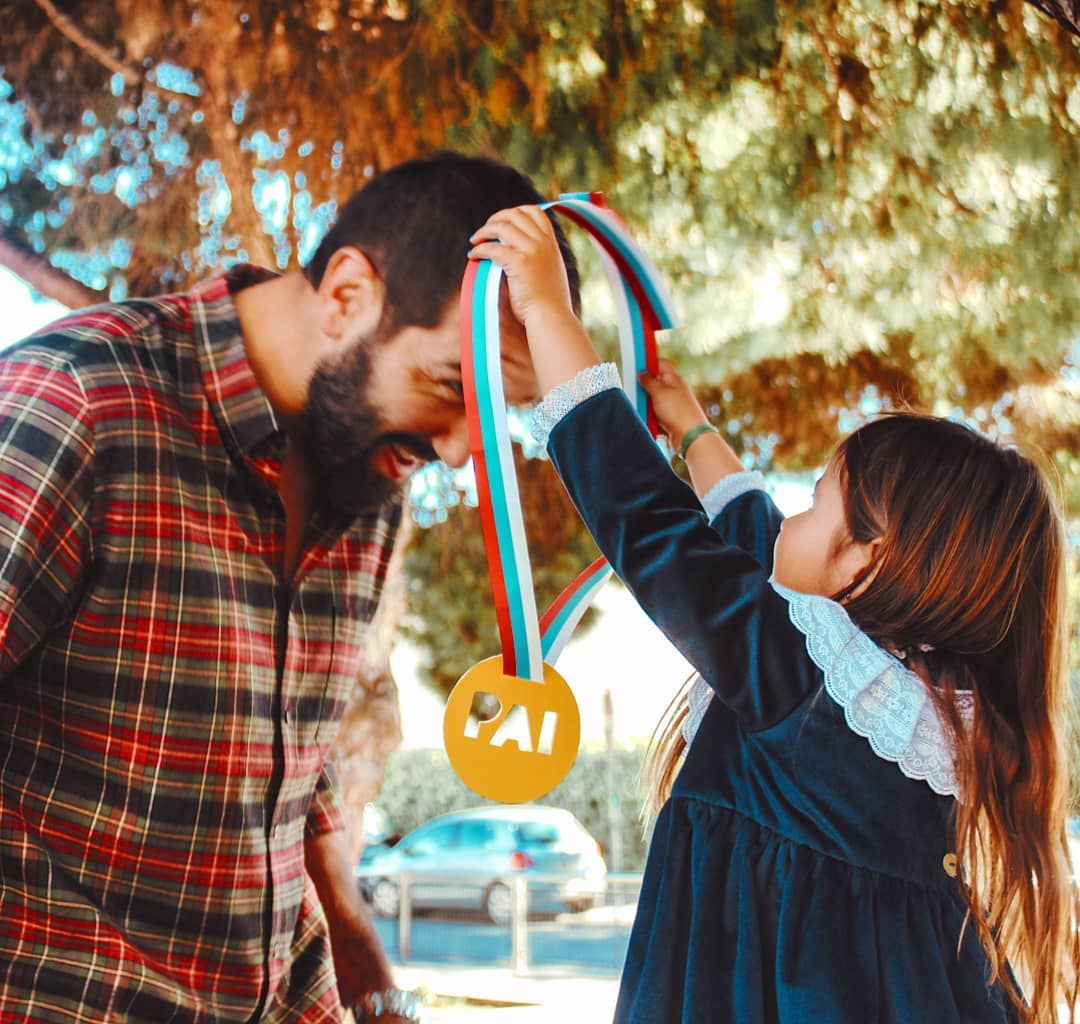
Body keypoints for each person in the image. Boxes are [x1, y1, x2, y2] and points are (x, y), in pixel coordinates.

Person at [0, 153, 578, 1024]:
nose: (462, 450)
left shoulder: (369, 484)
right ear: (346, 293)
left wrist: (364, 969)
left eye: (497, 413)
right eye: (456, 387)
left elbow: (287, 786)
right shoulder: (75, 401)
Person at [469, 205, 1080, 1023]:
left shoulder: (800, 679)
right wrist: (694, 433)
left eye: (817, 503)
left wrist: (548, 311)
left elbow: (648, 520)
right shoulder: (915, 710)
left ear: (870, 560)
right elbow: (758, 539)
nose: (792, 516)